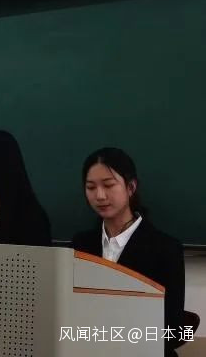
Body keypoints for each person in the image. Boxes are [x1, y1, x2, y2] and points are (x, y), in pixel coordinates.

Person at [72, 147, 184, 357]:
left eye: (108, 185)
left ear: (131, 187)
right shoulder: (81, 244)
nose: (100, 195)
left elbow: (174, 330)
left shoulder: (165, 249)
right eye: (91, 187)